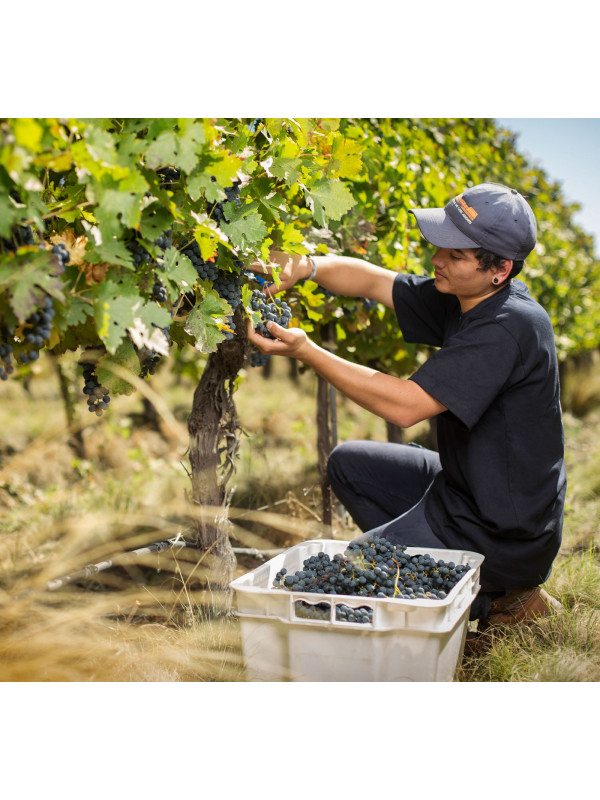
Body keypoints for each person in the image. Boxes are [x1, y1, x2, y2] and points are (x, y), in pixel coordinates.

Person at [247, 182, 566, 631]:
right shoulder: (467, 296)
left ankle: (488, 596)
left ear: (500, 269)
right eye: (441, 246)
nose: (438, 258)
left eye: (455, 254)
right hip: (466, 488)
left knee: (345, 581)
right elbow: (373, 280)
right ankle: (468, 588)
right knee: (350, 464)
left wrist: (307, 351)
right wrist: (305, 267)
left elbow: (405, 407)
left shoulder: (508, 325)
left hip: (499, 529)